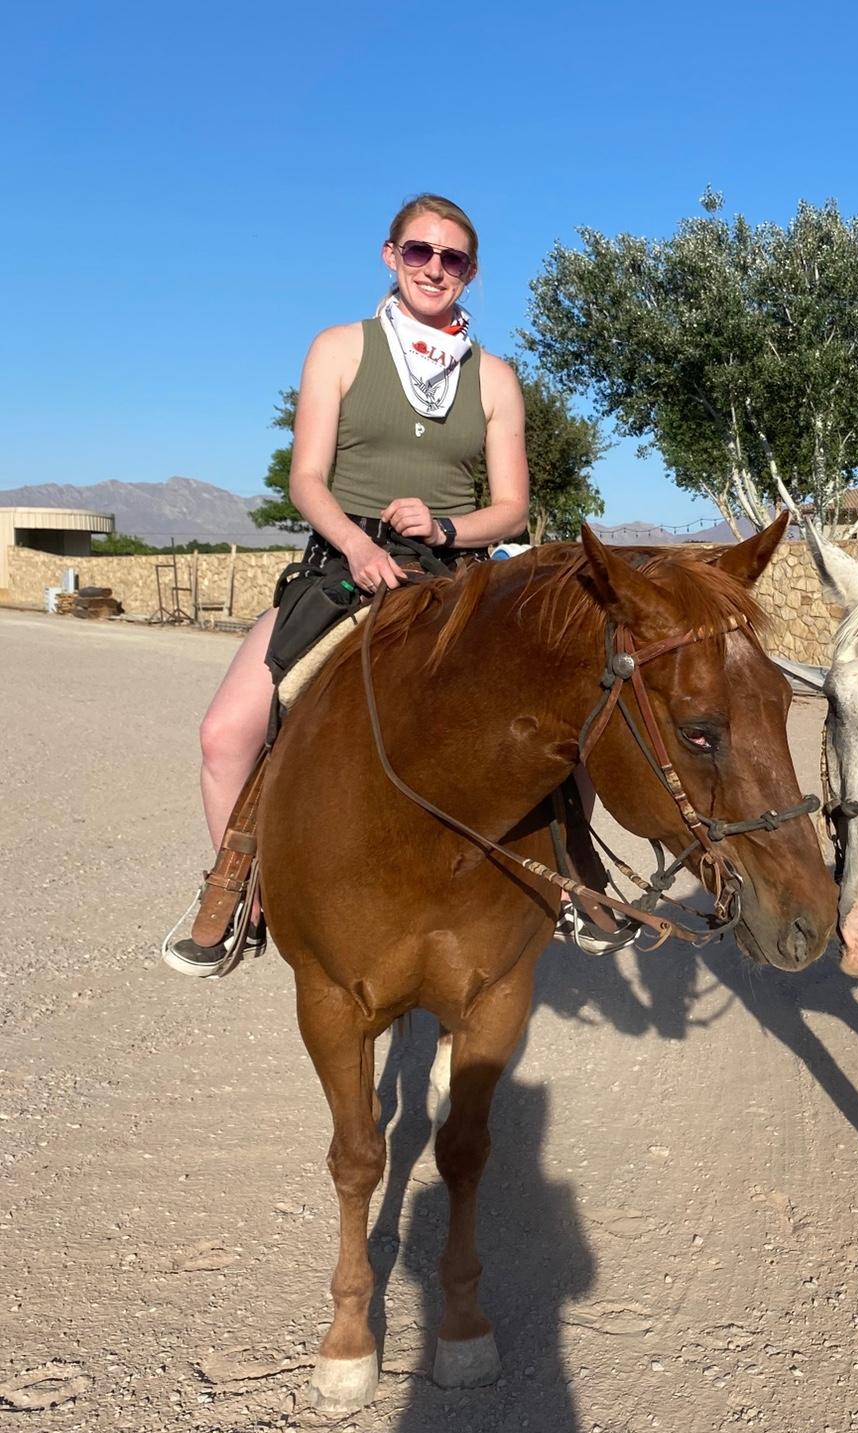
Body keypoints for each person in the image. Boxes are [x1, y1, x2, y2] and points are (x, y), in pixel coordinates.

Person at [163, 194, 529, 975]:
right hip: (342, 566)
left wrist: (447, 529)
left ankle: (575, 886)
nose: (435, 268)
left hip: (454, 573)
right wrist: (359, 545)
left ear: (471, 274)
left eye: (452, 258)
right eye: (420, 252)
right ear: (391, 256)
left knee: (559, 701)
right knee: (224, 735)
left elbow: (512, 506)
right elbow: (306, 479)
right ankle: (243, 892)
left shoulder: (495, 379)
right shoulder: (339, 348)